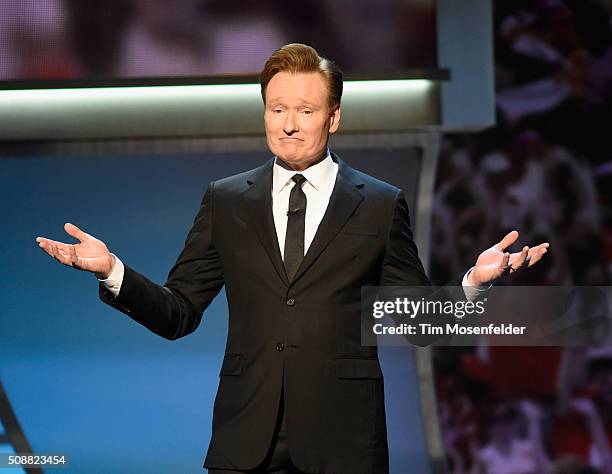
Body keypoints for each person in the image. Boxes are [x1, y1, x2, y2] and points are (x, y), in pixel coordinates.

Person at [35, 43, 549, 474]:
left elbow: (412, 320)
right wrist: (112, 271)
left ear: (334, 117)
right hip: (245, 440)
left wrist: (472, 286)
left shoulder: (378, 203)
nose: (288, 125)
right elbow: (179, 313)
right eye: (276, 109)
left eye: (305, 110)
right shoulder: (227, 200)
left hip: (344, 444)